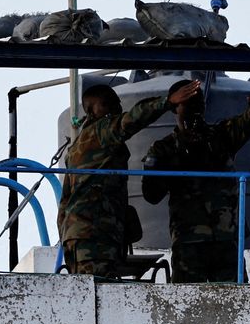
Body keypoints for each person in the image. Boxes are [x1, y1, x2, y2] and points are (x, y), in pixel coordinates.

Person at [60, 80, 203, 276]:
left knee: (87, 295)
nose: (116, 108)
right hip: (95, 235)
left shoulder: (76, 147)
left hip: (81, 235)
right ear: (91, 111)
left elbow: (65, 201)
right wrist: (168, 101)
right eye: (108, 104)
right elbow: (132, 120)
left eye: (117, 103)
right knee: (98, 293)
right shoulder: (101, 130)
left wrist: (67, 235)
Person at [142, 79, 250, 283]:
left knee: (237, 303)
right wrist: (171, 165)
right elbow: (151, 195)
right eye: (188, 102)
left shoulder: (221, 136)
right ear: (175, 108)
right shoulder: (164, 149)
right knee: (187, 304)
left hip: (226, 238)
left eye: (199, 102)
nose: (196, 108)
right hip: (189, 240)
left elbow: (248, 122)